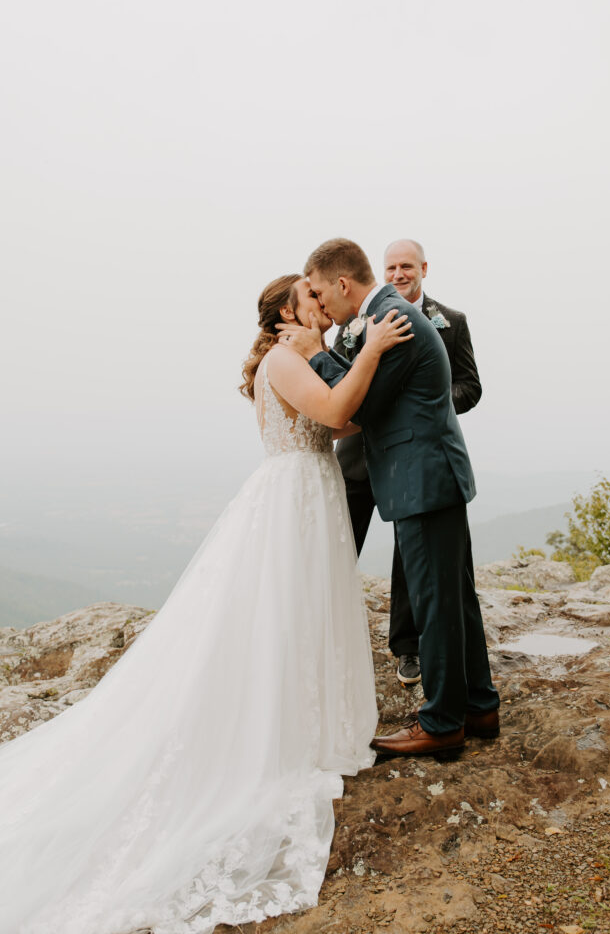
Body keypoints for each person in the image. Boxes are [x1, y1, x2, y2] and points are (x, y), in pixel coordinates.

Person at [0, 273, 412, 933]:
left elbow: (342, 417)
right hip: (293, 502)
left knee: (303, 617)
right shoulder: (284, 357)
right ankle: (277, 732)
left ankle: (307, 719)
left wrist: (368, 366)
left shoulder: (301, 358)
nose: (321, 309)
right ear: (286, 310)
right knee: (282, 619)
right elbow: (335, 416)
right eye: (310, 299)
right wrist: (371, 351)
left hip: (309, 493)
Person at [278, 239, 499, 761]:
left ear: (342, 284)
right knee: (453, 596)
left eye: (318, 291)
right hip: (428, 476)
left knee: (435, 601)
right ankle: (478, 705)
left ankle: (443, 722)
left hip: (422, 479)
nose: (320, 305)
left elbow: (363, 404)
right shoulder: (380, 317)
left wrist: (314, 354)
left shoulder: (390, 322)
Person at [334, 238, 482, 688]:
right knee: (338, 545)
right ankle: (331, 637)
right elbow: (344, 383)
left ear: (423, 268)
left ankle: (407, 648)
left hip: (412, 457)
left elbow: (469, 387)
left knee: (412, 558)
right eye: (391, 267)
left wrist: (421, 405)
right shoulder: (356, 324)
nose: (398, 274)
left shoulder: (450, 322)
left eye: (406, 266)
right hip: (359, 459)